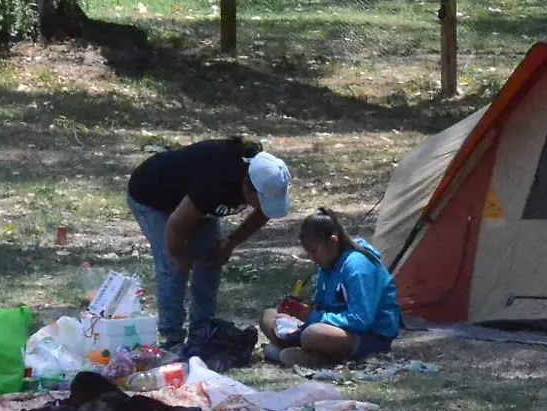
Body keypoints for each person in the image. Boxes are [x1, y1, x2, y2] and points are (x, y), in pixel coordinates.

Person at [126, 135, 291, 348]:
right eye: (262, 200)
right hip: (151, 196)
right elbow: (175, 226)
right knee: (173, 266)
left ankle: (201, 330)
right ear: (247, 188)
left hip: (192, 203)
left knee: (212, 258)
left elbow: (265, 212)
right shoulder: (216, 182)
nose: (266, 205)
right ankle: (172, 337)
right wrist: (181, 256)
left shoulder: (268, 178)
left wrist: (230, 243)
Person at [260, 208, 402, 367]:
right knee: (269, 316)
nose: (313, 258)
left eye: (314, 251)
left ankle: (311, 356)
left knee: (313, 334)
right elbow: (322, 305)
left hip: (369, 337)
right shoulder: (327, 265)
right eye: (308, 253)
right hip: (334, 328)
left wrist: (313, 317)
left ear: (333, 241)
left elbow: (361, 320)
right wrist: (301, 310)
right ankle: (302, 353)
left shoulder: (357, 266)